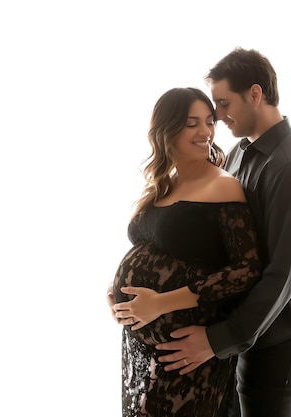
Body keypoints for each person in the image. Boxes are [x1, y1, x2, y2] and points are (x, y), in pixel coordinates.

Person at [114, 48, 291, 417]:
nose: (218, 118)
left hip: (274, 334)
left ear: (256, 95)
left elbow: (284, 273)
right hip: (237, 325)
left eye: (223, 104)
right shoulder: (241, 154)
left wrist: (217, 340)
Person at [109, 86, 262, 417]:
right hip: (141, 346)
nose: (205, 132)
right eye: (192, 123)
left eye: (209, 122)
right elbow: (148, 245)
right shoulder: (165, 182)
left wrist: (159, 303)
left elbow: (245, 270)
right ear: (168, 128)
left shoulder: (223, 186)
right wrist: (115, 291)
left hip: (185, 349)